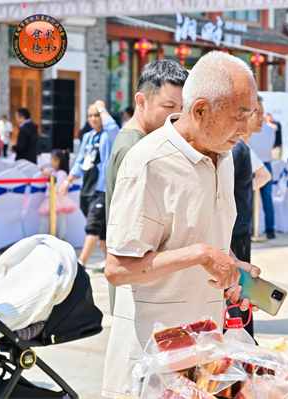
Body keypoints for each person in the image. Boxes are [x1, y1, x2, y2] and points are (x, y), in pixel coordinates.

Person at [102, 51, 261, 397]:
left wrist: (232, 266)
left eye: (250, 116)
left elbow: (202, 233)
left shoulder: (225, 155)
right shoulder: (148, 163)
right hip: (152, 361)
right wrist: (201, 254)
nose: (246, 129)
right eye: (239, 117)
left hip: (206, 351)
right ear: (200, 110)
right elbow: (117, 269)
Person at [105, 60, 188, 315]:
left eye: (183, 107)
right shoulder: (136, 148)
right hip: (137, 286)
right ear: (141, 102)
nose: (178, 115)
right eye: (168, 106)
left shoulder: (142, 140)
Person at [230, 95, 272, 337]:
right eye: (257, 113)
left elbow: (264, 175)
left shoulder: (242, 148)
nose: (261, 119)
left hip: (240, 227)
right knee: (238, 289)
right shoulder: (238, 149)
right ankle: (241, 338)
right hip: (235, 229)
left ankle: (244, 337)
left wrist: (244, 190)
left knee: (242, 288)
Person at [59, 100, 119, 267]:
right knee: (102, 230)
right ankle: (112, 263)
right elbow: (79, 162)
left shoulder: (108, 135)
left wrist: (101, 107)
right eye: (90, 116)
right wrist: (67, 182)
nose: (93, 118)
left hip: (101, 190)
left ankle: (80, 263)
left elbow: (114, 129)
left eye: (96, 115)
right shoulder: (87, 137)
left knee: (93, 226)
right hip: (87, 189)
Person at [38, 149, 78, 239]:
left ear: (57, 161)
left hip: (56, 198)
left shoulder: (60, 173)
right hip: (53, 199)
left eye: (51, 160)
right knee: (52, 221)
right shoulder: (55, 172)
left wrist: (48, 178)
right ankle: (44, 238)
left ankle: (58, 239)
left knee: (58, 221)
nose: (50, 162)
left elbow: (55, 187)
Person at [249, 117, 276, 238]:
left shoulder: (253, 130)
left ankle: (250, 228)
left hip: (253, 163)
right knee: (267, 199)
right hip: (264, 163)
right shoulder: (271, 130)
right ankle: (270, 229)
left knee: (248, 198)